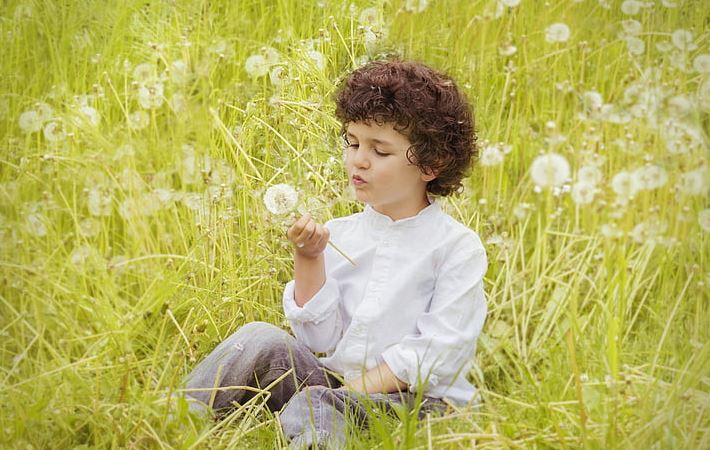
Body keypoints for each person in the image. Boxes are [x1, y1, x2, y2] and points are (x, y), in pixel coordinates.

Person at [182, 59, 488, 449]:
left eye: (379, 151)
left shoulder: (456, 248)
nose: (358, 160)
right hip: (338, 388)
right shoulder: (342, 234)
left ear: (431, 163)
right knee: (260, 339)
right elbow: (319, 339)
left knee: (319, 402)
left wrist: (346, 393)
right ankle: (173, 419)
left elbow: (434, 353)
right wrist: (309, 258)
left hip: (416, 403)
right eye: (353, 142)